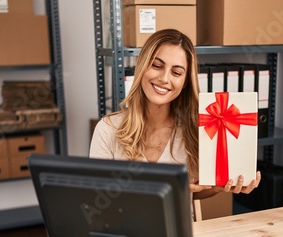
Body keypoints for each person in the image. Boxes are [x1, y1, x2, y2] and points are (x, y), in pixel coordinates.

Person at [89, 28, 261, 203]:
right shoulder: (108, 129)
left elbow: (196, 190)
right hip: (126, 228)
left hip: (179, 228)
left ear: (185, 82)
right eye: (157, 66)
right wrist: (170, 187)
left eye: (176, 72)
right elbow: (98, 198)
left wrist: (217, 187)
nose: (164, 78)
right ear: (142, 67)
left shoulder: (196, 130)